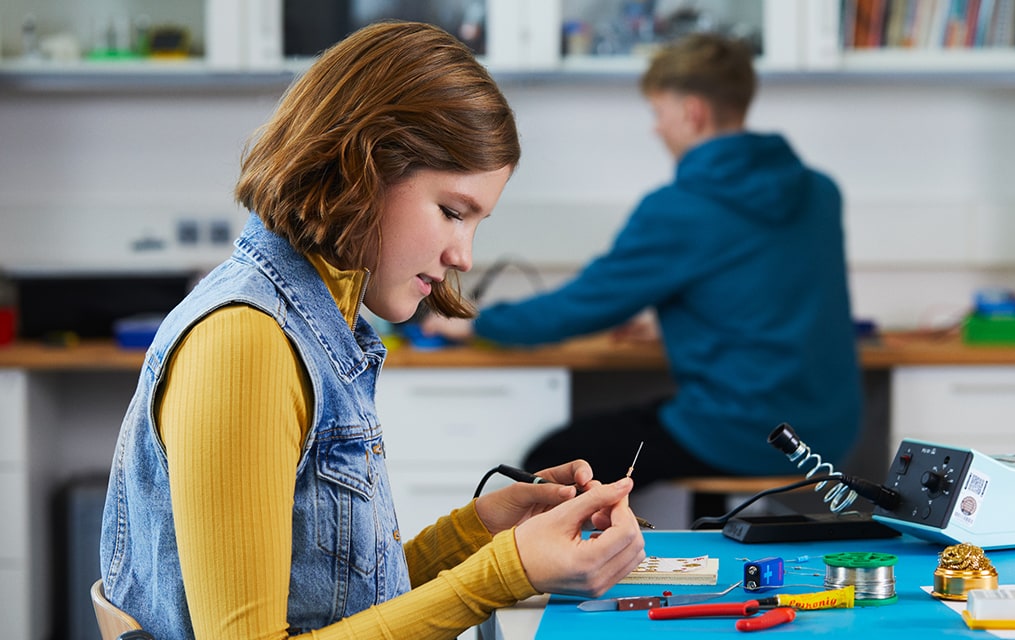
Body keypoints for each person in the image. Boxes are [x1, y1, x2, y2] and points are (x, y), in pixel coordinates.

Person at [98, 21, 644, 640]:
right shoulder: (244, 342)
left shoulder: (321, 325)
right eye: (451, 211)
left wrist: (479, 532)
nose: (464, 256)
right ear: (363, 167)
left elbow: (335, 601)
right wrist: (502, 574)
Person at [423, 33, 861, 492]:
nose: (656, 129)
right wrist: (679, 322)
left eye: (659, 113)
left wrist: (477, 325)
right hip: (825, 435)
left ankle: (612, 563)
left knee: (551, 464)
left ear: (693, 113)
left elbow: (583, 306)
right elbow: (775, 297)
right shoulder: (819, 192)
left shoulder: (683, 208)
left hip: (740, 433)